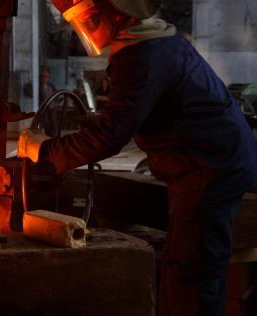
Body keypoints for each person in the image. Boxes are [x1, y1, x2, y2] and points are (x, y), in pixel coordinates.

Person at [18, 1, 257, 315]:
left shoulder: (142, 55)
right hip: (214, 161)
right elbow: (152, 109)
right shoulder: (156, 40)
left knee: (193, 274)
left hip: (208, 170)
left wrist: (43, 149)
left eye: (89, 21)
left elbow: (109, 139)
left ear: (116, 13)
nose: (87, 30)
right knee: (183, 267)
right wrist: (110, 120)